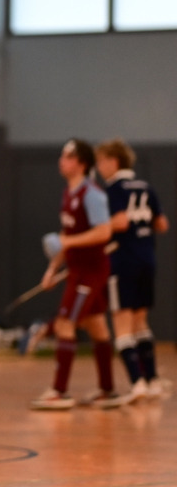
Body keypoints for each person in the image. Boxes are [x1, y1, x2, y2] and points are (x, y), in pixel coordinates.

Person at [29, 139, 124, 410]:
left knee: (64, 324)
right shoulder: (68, 193)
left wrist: (68, 243)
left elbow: (104, 232)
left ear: (81, 163)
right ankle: (108, 390)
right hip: (77, 270)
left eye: (67, 156)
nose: (62, 160)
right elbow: (66, 238)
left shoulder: (92, 194)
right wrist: (51, 269)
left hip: (91, 272)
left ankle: (60, 391)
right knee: (97, 326)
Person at [95, 138, 170, 401]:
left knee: (121, 323)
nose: (99, 167)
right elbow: (162, 224)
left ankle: (136, 383)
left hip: (123, 260)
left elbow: (120, 222)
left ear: (114, 162)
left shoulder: (113, 189)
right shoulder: (146, 187)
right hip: (147, 259)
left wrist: (97, 232)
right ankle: (152, 380)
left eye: (101, 161)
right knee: (141, 322)